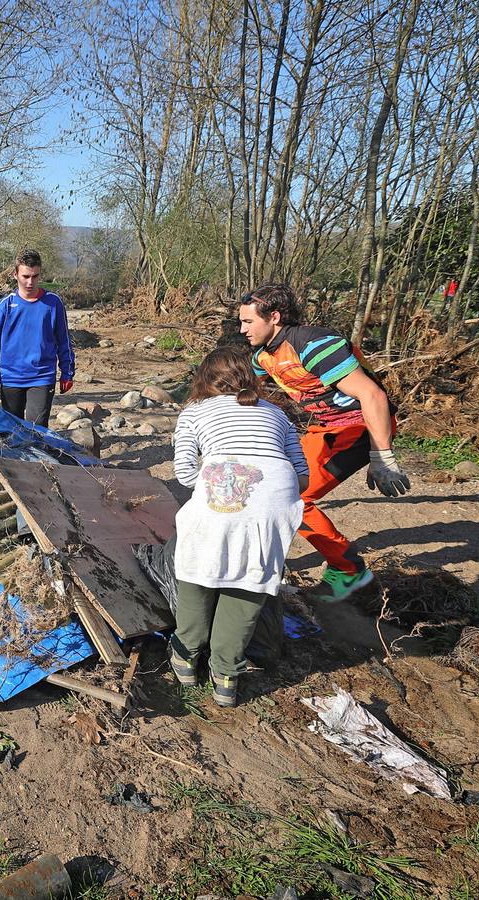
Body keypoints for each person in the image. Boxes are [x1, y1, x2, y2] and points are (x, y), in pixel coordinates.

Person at [239, 284, 410, 602]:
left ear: (274, 317)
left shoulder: (315, 344)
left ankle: (349, 570)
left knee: (294, 497)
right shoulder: (264, 357)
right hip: (326, 429)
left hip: (359, 427)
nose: (242, 329)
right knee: (270, 485)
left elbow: (373, 395)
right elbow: (245, 392)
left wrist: (381, 454)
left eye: (248, 322)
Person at [169, 347, 309, 707]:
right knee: (251, 578)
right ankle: (227, 678)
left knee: (197, 568)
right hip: (276, 498)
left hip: (222, 486)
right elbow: (303, 474)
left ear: (203, 378)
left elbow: (184, 474)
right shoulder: (277, 413)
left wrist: (219, 475)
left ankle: (186, 661)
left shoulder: (194, 411)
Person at [0, 249, 75, 427]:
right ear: (15, 274)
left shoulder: (53, 303)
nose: (30, 282)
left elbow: (64, 340)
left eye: (35, 276)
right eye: (25, 276)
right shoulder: (3, 306)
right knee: (13, 431)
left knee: (37, 430)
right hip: (11, 377)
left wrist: (67, 372)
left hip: (42, 376)